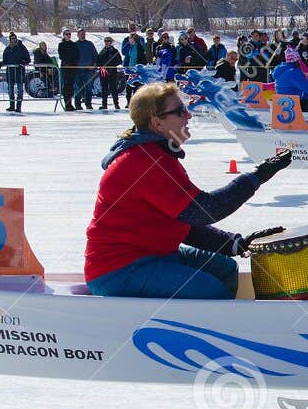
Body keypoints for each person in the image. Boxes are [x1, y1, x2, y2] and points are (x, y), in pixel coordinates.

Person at [83, 83, 293, 299]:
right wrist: (257, 176)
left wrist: (235, 244)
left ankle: (225, 324)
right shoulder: (144, 162)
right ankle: (214, 330)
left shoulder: (157, 155)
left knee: (225, 270)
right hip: (120, 269)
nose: (189, 115)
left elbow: (184, 222)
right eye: (180, 111)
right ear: (157, 122)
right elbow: (204, 210)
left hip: (152, 256)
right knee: (210, 290)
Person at [1, 32, 30, 112]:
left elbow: (28, 59)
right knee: (10, 90)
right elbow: (5, 60)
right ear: (10, 40)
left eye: (14, 38)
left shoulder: (21, 47)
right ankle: (12, 105)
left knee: (20, 90)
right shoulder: (7, 48)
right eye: (12, 38)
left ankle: (18, 106)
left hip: (19, 71)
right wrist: (1, 63)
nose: (13, 40)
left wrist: (23, 63)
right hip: (10, 72)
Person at [95, 35, 123, 109]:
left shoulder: (115, 51)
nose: (107, 43)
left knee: (113, 87)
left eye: (108, 41)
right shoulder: (102, 51)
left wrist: (112, 65)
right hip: (103, 72)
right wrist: (101, 66)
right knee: (104, 88)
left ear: (111, 42)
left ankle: (116, 104)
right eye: (106, 41)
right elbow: (98, 61)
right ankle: (104, 104)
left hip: (112, 72)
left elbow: (119, 61)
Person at [75, 29, 98, 110]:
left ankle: (88, 104)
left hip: (89, 70)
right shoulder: (75, 44)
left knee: (89, 88)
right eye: (81, 34)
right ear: (78, 35)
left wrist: (94, 65)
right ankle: (77, 104)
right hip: (78, 70)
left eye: (84, 34)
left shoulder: (89, 44)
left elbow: (95, 55)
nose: (82, 35)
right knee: (78, 88)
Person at [57, 30, 80, 110]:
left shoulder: (74, 44)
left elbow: (77, 54)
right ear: (63, 35)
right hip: (65, 67)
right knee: (66, 86)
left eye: (69, 34)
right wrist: (68, 61)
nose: (68, 35)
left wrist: (74, 62)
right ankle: (67, 104)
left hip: (73, 67)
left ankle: (70, 104)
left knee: (71, 86)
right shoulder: (61, 45)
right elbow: (61, 55)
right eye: (66, 34)